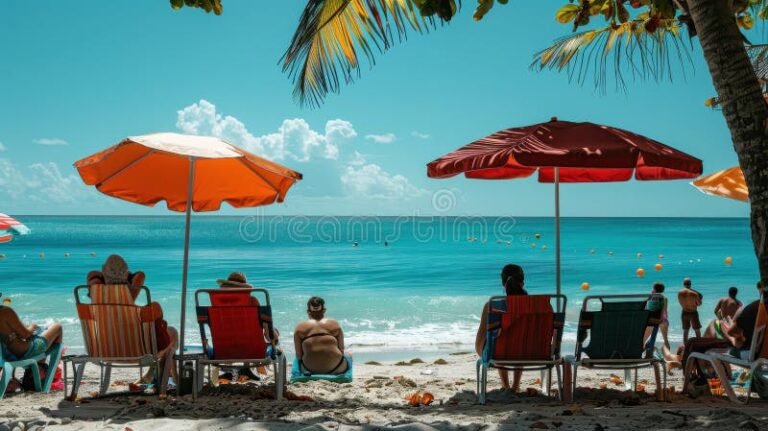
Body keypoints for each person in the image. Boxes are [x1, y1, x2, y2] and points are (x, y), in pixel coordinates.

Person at [88, 255, 178, 386]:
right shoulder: (152, 309)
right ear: (126, 277)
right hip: (139, 354)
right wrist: (132, 278)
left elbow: (93, 275)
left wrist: (106, 277)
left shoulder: (97, 307)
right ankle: (173, 379)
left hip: (104, 352)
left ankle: (153, 374)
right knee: (172, 333)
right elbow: (163, 343)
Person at [475, 264, 527, 392]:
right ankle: (515, 386)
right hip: (531, 352)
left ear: (503, 284)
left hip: (498, 353)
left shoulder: (492, 306)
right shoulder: (539, 306)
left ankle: (506, 385)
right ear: (523, 282)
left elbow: (479, 341)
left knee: (498, 342)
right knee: (521, 341)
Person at [0, 292, 63, 389]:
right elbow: (26, 334)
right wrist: (32, 326)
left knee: (39, 334)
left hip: (6, 355)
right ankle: (47, 371)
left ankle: (38, 369)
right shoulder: (5, 311)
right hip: (23, 352)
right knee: (57, 327)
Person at [293, 297, 350, 375]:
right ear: (324, 310)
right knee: (348, 355)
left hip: (309, 369)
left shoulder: (299, 327)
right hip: (337, 367)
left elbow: (299, 356)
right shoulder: (335, 324)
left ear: (308, 311)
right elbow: (341, 349)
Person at [678, 278, 703, 344]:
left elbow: (680, 302)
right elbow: (699, 304)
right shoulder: (694, 294)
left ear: (683, 284)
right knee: (697, 330)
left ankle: (685, 346)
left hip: (684, 312)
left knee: (685, 331)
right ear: (690, 284)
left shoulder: (679, 292)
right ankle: (699, 345)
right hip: (693, 313)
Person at [646, 282, 670, 349]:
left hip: (650, 321)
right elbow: (665, 311)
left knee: (643, 340)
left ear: (654, 289)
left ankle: (642, 353)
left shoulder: (649, 297)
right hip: (661, 321)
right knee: (666, 340)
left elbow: (647, 309)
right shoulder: (664, 298)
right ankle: (667, 352)